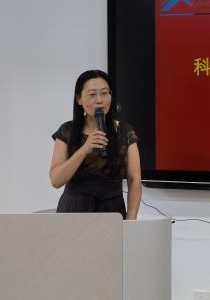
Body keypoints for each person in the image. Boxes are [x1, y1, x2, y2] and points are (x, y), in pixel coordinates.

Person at [49, 70, 142, 219]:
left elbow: (134, 179)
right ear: (79, 99)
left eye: (104, 93)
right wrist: (85, 149)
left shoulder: (125, 131)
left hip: (112, 211)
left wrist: (131, 218)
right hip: (74, 212)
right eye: (92, 94)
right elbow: (56, 180)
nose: (99, 100)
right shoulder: (67, 131)